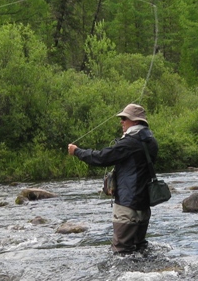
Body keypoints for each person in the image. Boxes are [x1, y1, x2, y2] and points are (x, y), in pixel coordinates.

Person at [67, 103, 158, 256]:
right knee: (140, 249)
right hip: (143, 206)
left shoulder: (130, 142)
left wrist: (77, 151)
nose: (121, 122)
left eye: (125, 118)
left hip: (127, 205)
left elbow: (101, 158)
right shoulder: (151, 141)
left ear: (135, 121)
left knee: (121, 252)